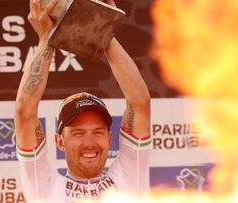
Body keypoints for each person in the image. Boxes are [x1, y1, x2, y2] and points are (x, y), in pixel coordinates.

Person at [14, 0, 151, 202]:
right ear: (60, 141)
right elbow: (24, 112)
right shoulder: (45, 187)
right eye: (78, 133)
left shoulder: (128, 177)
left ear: (109, 138)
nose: (90, 143)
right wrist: (47, 39)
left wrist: (103, 28)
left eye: (97, 132)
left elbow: (140, 102)